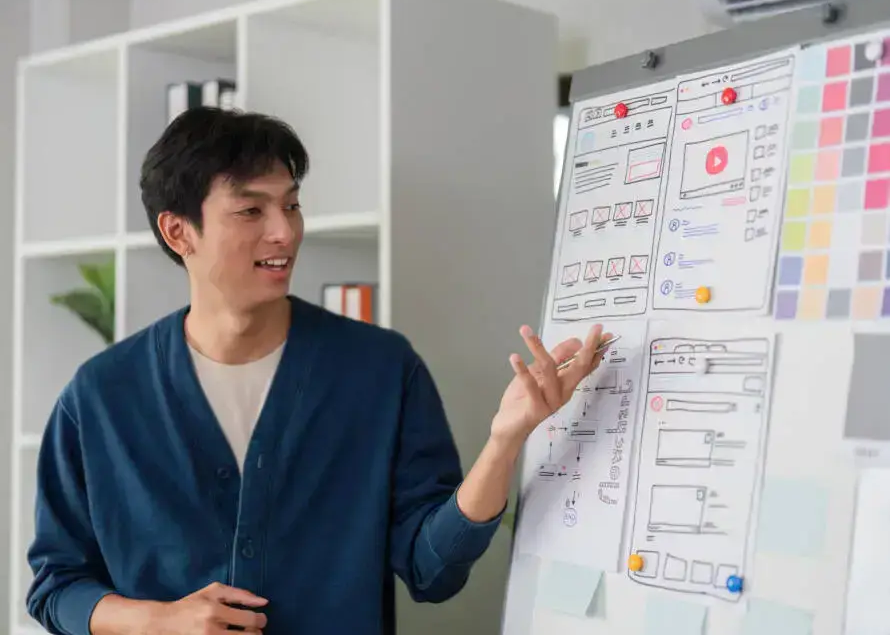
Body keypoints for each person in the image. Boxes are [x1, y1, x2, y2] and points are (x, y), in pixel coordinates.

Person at [25, 107, 609, 635]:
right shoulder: (100, 397)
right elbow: (57, 586)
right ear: (179, 231)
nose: (284, 231)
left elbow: (433, 572)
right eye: (252, 209)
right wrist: (159, 621)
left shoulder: (381, 371)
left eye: (292, 204)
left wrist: (504, 443)